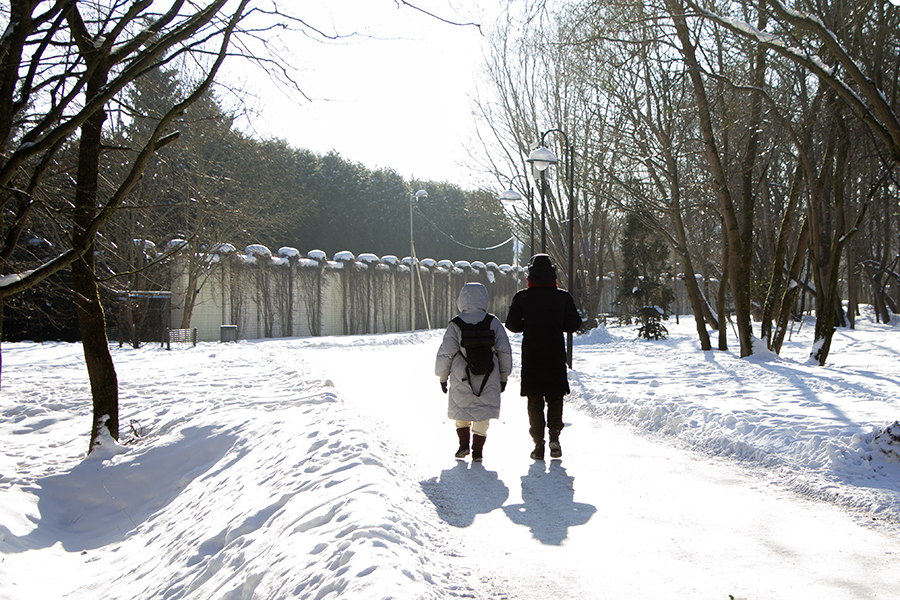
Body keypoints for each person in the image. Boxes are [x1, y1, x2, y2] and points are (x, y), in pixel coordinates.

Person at [505, 254, 582, 460]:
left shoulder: (522, 297)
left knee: (535, 401)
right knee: (555, 398)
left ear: (530, 274)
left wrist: (527, 324)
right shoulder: (563, 297)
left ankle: (538, 443)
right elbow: (574, 324)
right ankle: (555, 435)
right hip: (555, 356)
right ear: (553, 274)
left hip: (532, 357)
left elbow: (512, 325)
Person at [436, 282, 512, 462]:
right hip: (489, 373)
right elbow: (504, 351)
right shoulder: (492, 322)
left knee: (462, 408)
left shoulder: (456, 324)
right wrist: (503, 375)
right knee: (482, 412)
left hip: (461, 373)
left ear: (461, 300)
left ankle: (463, 444)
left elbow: (446, 352)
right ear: (484, 299)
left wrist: (442, 376)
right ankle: (477, 450)